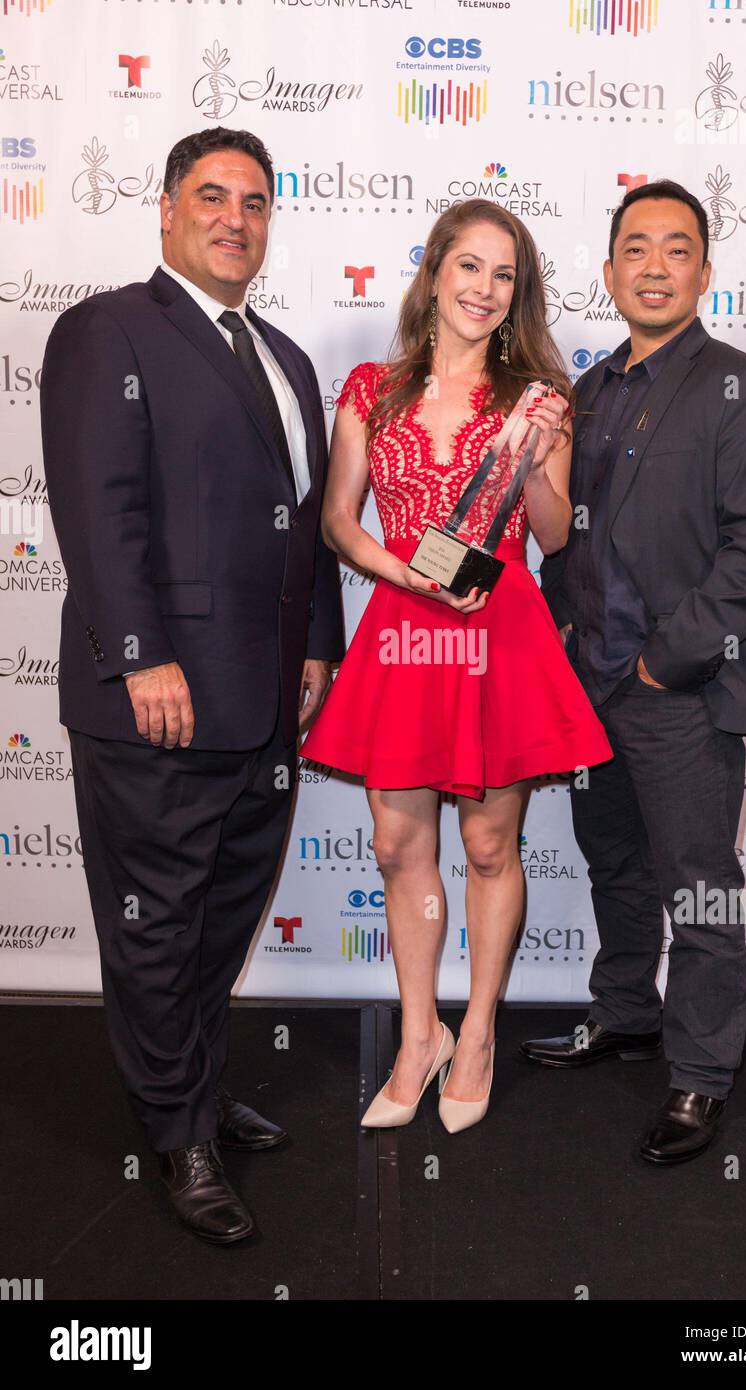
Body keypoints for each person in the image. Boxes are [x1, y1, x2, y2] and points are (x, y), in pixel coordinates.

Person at [40, 127, 344, 1242]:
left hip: (265, 702)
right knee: (158, 922)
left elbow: (302, 527)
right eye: (211, 197)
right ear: (166, 209)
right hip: (157, 698)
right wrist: (138, 653)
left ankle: (198, 1092)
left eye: (254, 202)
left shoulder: (286, 357)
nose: (234, 218)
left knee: (221, 911)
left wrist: (317, 643)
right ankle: (174, 1137)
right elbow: (98, 510)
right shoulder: (108, 328)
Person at [301, 199, 612, 1133]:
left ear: (519, 294)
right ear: (434, 271)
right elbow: (337, 520)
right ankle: (417, 1032)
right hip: (405, 625)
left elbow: (554, 538)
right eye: (468, 266)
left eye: (504, 274)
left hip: (499, 632)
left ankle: (475, 1030)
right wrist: (401, 571)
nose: (484, 288)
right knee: (400, 847)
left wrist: (546, 459)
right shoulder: (371, 386)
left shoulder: (537, 399)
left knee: (487, 846)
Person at [521, 180, 746, 1164]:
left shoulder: (743, 383)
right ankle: (626, 1011)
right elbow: (561, 544)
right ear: (606, 272)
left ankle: (699, 1072)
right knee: (617, 868)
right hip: (586, 690)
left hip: (675, 690)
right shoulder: (583, 395)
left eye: (673, 249)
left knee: (700, 885)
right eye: (633, 249)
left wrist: (658, 664)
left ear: (702, 273)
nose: (651, 266)